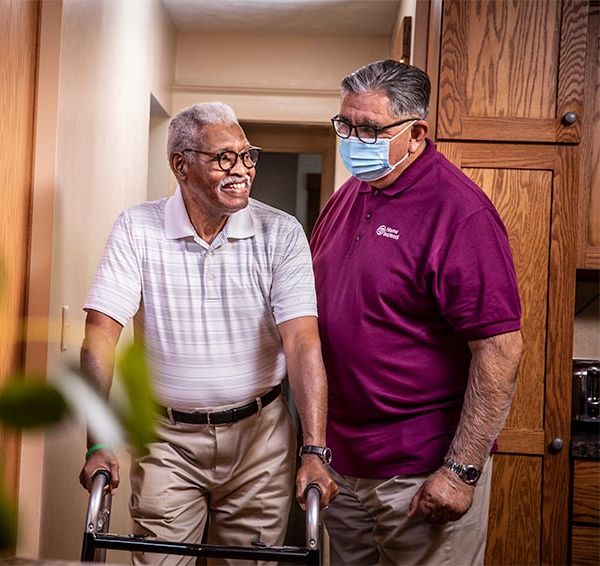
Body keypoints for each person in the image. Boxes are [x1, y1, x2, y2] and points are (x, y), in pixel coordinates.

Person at [79, 101, 338, 564]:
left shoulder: (281, 233)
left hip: (260, 438)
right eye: (224, 158)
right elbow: (100, 335)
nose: (242, 170)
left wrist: (314, 449)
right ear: (180, 164)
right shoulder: (137, 229)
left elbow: (302, 342)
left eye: (247, 155)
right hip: (166, 441)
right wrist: (97, 441)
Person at [310, 59, 523, 565]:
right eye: (345, 125)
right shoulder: (349, 195)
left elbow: (500, 350)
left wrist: (461, 470)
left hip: (419, 473)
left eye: (369, 129)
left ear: (416, 133)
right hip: (342, 467)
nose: (353, 139)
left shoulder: (459, 211)